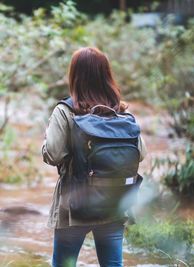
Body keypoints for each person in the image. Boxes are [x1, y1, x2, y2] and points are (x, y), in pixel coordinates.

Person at [42, 46, 147, 267]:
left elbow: (52, 154)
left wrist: (46, 138)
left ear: (75, 76)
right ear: (106, 75)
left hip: (75, 205)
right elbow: (142, 153)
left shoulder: (65, 111)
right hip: (114, 203)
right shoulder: (123, 113)